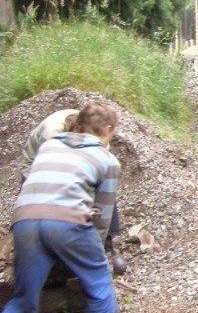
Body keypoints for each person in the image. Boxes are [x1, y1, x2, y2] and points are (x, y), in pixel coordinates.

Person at [0, 102, 134, 313]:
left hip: (24, 220)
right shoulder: (108, 161)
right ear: (107, 129)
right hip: (69, 221)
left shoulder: (51, 145)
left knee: (22, 302)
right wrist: (90, 255)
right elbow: (102, 216)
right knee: (99, 285)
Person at [21, 109, 127, 276]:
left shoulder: (94, 130)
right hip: (35, 164)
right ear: (74, 130)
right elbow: (53, 172)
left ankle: (109, 247)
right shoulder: (51, 136)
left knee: (102, 190)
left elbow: (102, 163)